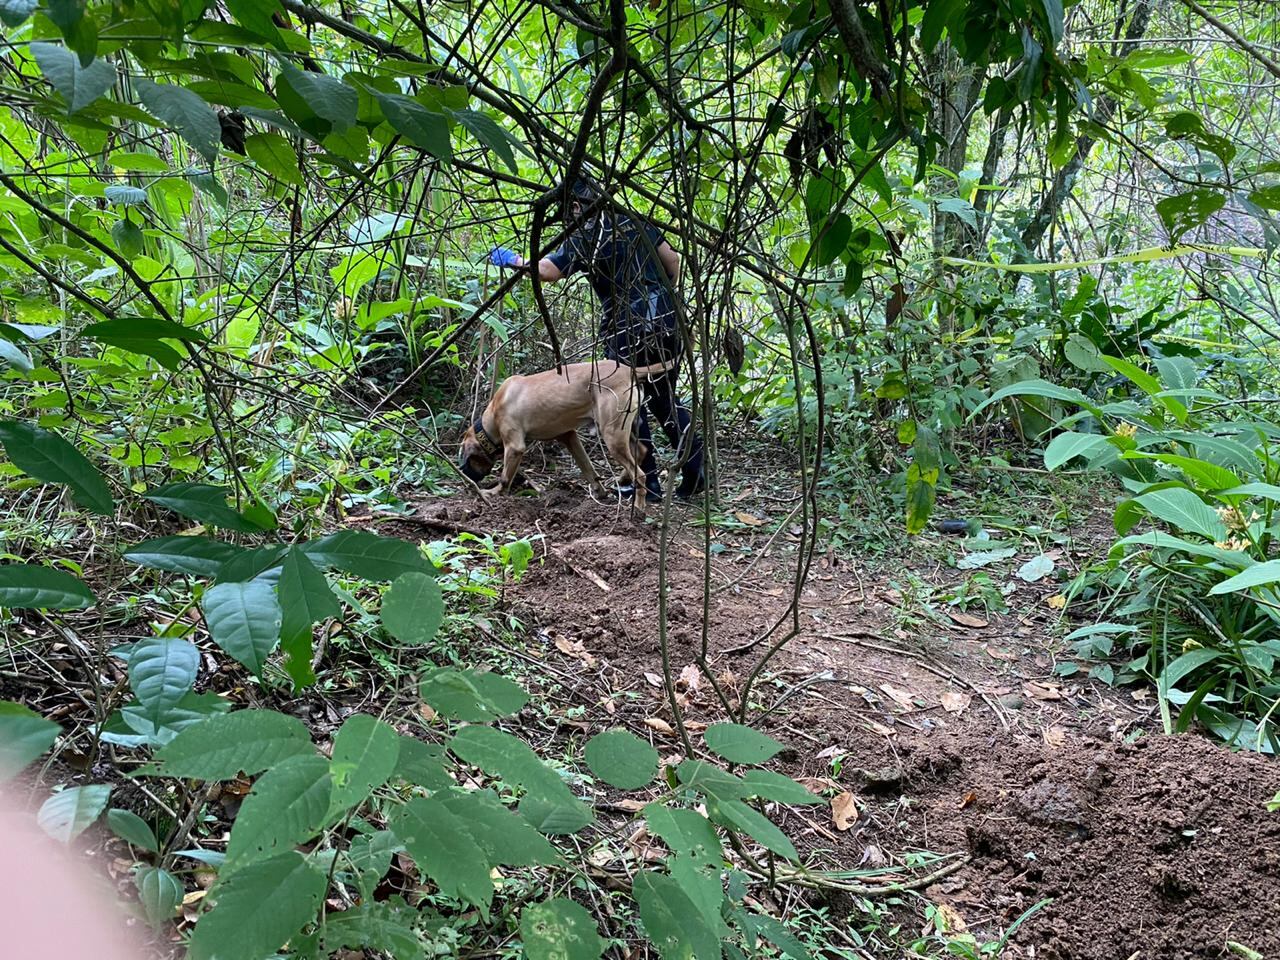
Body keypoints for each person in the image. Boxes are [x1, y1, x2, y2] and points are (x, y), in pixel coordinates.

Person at [489, 179, 705, 502]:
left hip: (625, 329)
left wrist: (514, 260)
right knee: (663, 399)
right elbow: (672, 261)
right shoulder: (635, 220)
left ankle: (646, 486)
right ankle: (696, 472)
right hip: (667, 321)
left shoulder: (586, 236)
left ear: (577, 206)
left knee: (622, 400)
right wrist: (662, 296)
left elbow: (549, 270)